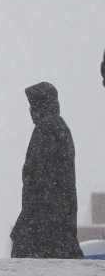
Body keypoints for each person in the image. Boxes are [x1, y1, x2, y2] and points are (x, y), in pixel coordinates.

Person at [10, 82, 84, 259]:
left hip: (46, 213)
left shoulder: (47, 129)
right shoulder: (57, 127)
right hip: (53, 212)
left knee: (28, 252)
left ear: (40, 105)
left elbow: (38, 175)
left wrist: (33, 210)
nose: (30, 111)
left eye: (32, 105)